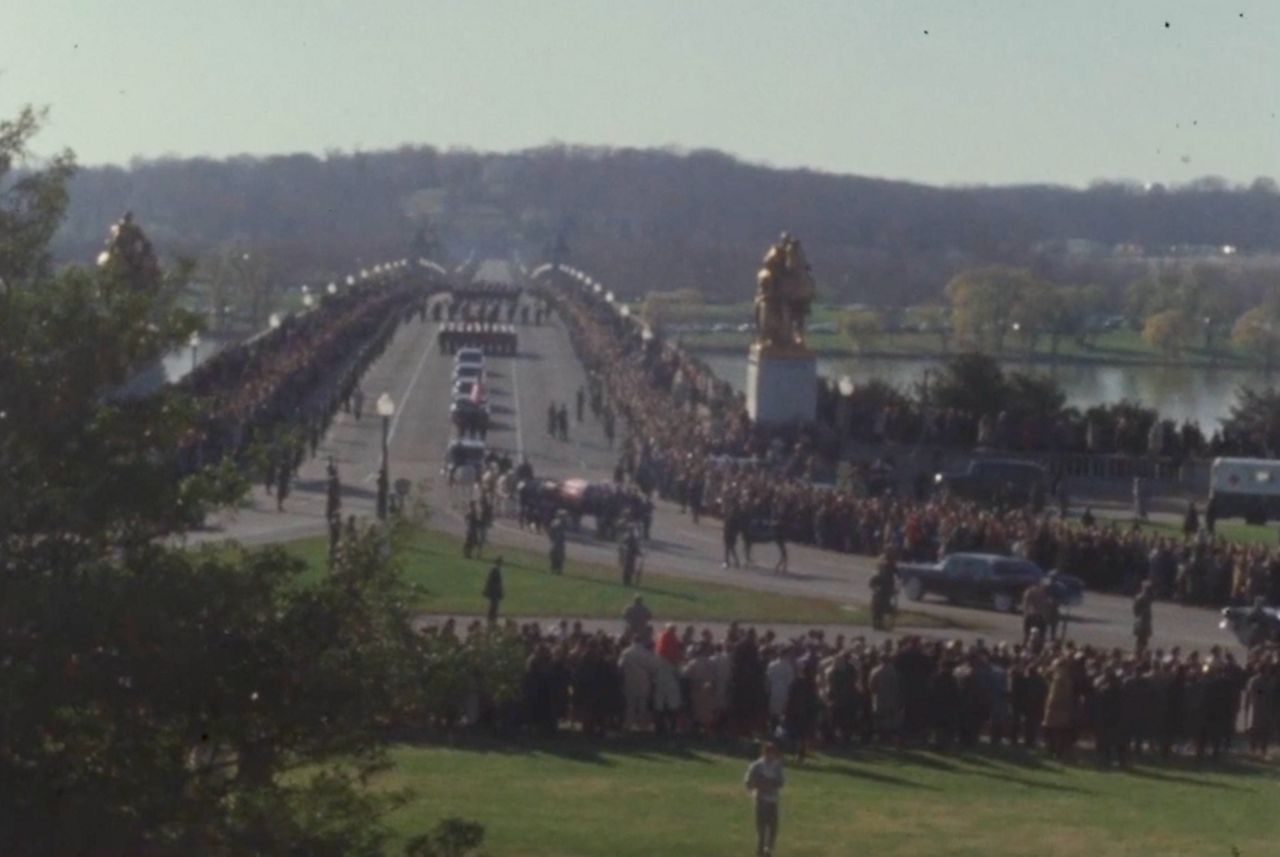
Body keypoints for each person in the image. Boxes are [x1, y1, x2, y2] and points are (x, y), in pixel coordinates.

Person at [744, 742, 784, 857]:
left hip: (773, 801)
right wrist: (757, 787)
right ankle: (760, 852)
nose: (771, 755)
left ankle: (768, 850)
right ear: (764, 753)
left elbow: (781, 782)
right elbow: (748, 782)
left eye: (773, 753)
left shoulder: (777, 766)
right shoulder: (757, 765)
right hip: (761, 800)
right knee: (761, 829)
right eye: (769, 752)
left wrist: (772, 783)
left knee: (773, 828)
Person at [869, 551, 898, 631]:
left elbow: (896, 575)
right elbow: (875, 580)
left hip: (886, 591)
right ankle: (877, 623)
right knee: (879, 608)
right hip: (881, 592)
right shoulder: (883, 568)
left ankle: (880, 623)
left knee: (884, 608)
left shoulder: (890, 568)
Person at [1133, 580, 1155, 655]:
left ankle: (1141, 651)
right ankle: (1139, 651)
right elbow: (1135, 609)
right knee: (1141, 637)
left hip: (1145, 619)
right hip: (1142, 619)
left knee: (1144, 637)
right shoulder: (1141, 597)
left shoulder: (1146, 597)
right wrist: (1139, 615)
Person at [483, 558, 504, 623]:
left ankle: (492, 617)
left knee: (494, 605)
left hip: (495, 591)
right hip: (494, 591)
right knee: (494, 605)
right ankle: (492, 618)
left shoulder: (496, 570)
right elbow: (492, 581)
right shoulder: (495, 570)